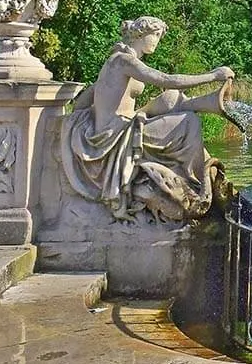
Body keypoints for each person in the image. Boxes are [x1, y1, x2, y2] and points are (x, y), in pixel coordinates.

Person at [62, 16, 234, 222]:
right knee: (189, 122)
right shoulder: (123, 61)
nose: (157, 42)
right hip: (114, 135)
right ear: (141, 35)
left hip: (123, 125)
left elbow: (87, 99)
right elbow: (167, 79)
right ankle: (194, 180)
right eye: (156, 37)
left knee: (170, 98)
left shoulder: (117, 59)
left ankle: (203, 110)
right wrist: (213, 75)